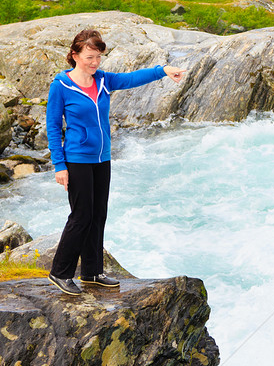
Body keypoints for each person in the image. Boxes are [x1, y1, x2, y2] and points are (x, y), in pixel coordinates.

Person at [46, 29, 185, 295]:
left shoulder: (104, 81)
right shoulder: (61, 86)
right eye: (89, 57)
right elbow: (53, 127)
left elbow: (132, 78)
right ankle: (60, 272)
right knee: (81, 216)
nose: (94, 62)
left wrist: (163, 70)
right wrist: (59, 165)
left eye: (98, 57)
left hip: (102, 158)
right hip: (77, 159)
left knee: (98, 214)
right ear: (74, 55)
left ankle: (92, 272)